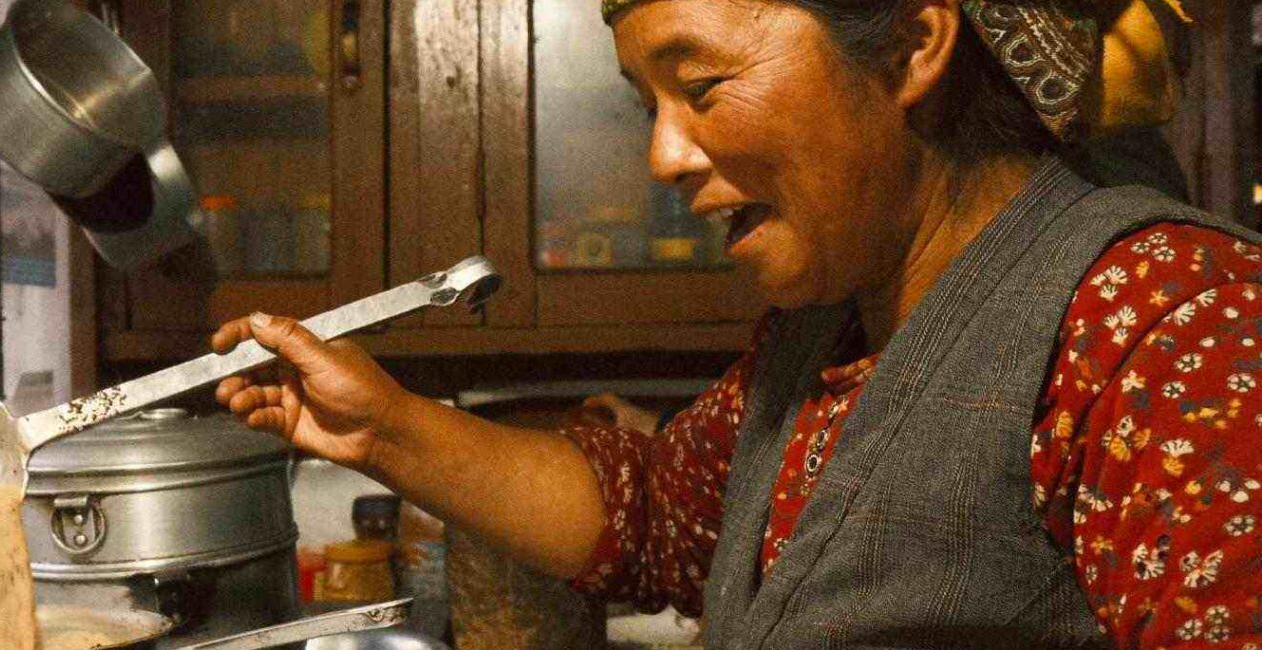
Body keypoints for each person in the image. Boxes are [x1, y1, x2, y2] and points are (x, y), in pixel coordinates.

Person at [213, 0, 1261, 646]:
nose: (663, 156)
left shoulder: (1166, 321)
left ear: (908, 47)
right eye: (646, 106)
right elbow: (650, 518)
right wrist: (381, 427)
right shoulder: (823, 335)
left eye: (700, 85)